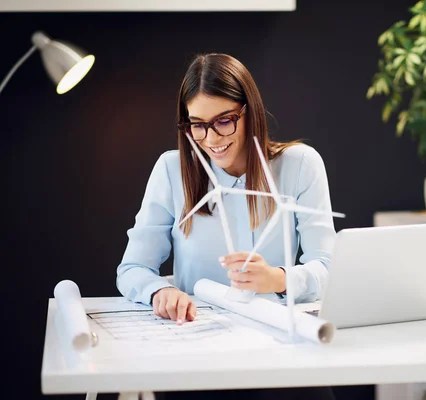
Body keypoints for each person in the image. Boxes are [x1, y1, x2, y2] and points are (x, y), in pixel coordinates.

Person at [115, 53, 337, 400]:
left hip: (281, 351)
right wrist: (160, 293)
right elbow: (132, 269)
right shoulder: (172, 171)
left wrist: (278, 279)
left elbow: (329, 267)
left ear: (250, 112)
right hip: (197, 355)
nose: (210, 138)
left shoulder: (299, 165)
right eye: (197, 124)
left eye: (224, 120)